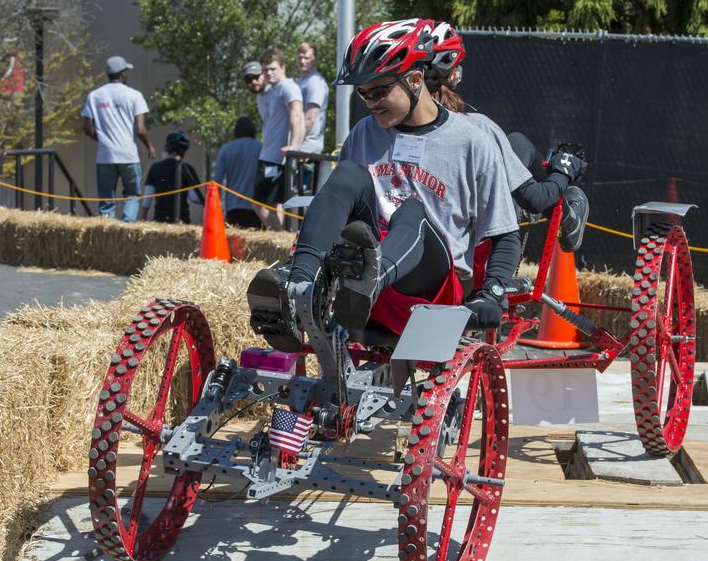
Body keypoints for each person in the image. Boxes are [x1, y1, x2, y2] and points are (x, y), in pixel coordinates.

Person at [247, 18, 521, 351]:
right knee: (347, 175)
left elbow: (505, 233)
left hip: (430, 293)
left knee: (412, 211)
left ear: (416, 79)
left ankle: (368, 280)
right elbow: (340, 206)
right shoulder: (364, 132)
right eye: (364, 93)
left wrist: (492, 291)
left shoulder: (472, 142)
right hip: (363, 293)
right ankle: (296, 286)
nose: (371, 101)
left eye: (380, 91)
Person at [424, 21, 589, 252]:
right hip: (479, 246)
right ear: (452, 74)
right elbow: (536, 199)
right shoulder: (477, 127)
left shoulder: (379, 133)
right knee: (518, 142)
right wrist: (564, 171)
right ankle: (567, 216)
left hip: (420, 248)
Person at [81, 55, 154, 221]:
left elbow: (87, 128)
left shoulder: (94, 96)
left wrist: (104, 141)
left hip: (105, 156)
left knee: (106, 200)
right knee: (132, 195)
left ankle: (107, 231)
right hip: (128, 155)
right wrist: (148, 146)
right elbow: (141, 130)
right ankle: (126, 229)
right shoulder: (135, 95)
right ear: (122, 74)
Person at [254, 47, 304, 231]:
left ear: (283, 67)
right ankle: (280, 237)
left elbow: (297, 115)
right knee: (275, 203)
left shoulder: (288, 87)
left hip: (277, 157)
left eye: (273, 69)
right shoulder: (270, 91)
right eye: (266, 69)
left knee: (261, 203)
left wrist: (295, 147)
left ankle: (279, 236)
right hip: (268, 154)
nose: (269, 73)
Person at [214, 116, 263, 229]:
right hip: (256, 207)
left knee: (234, 244)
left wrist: (216, 207)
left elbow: (217, 181)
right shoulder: (260, 148)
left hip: (232, 206)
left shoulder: (226, 149)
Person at [144, 131, 202, 224]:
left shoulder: (156, 167)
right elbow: (194, 198)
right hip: (183, 220)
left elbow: (147, 198)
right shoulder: (188, 168)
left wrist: (143, 218)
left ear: (167, 147)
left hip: (160, 220)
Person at [295, 42, 329, 154]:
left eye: (306, 58)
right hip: (300, 145)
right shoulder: (301, 81)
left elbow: (310, 118)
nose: (302, 61)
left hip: (307, 148)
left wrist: (295, 143)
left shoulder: (315, 83)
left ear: (314, 59)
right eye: (300, 58)